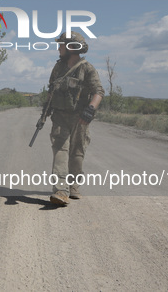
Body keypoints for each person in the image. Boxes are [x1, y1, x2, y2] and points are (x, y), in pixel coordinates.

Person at [47, 32, 104, 206]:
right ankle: (60, 190)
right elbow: (51, 89)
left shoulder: (87, 68)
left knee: (77, 152)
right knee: (60, 150)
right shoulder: (58, 68)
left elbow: (98, 92)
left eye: (61, 45)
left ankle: (73, 186)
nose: (59, 48)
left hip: (80, 118)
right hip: (60, 117)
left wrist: (90, 109)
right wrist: (47, 107)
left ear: (71, 47)